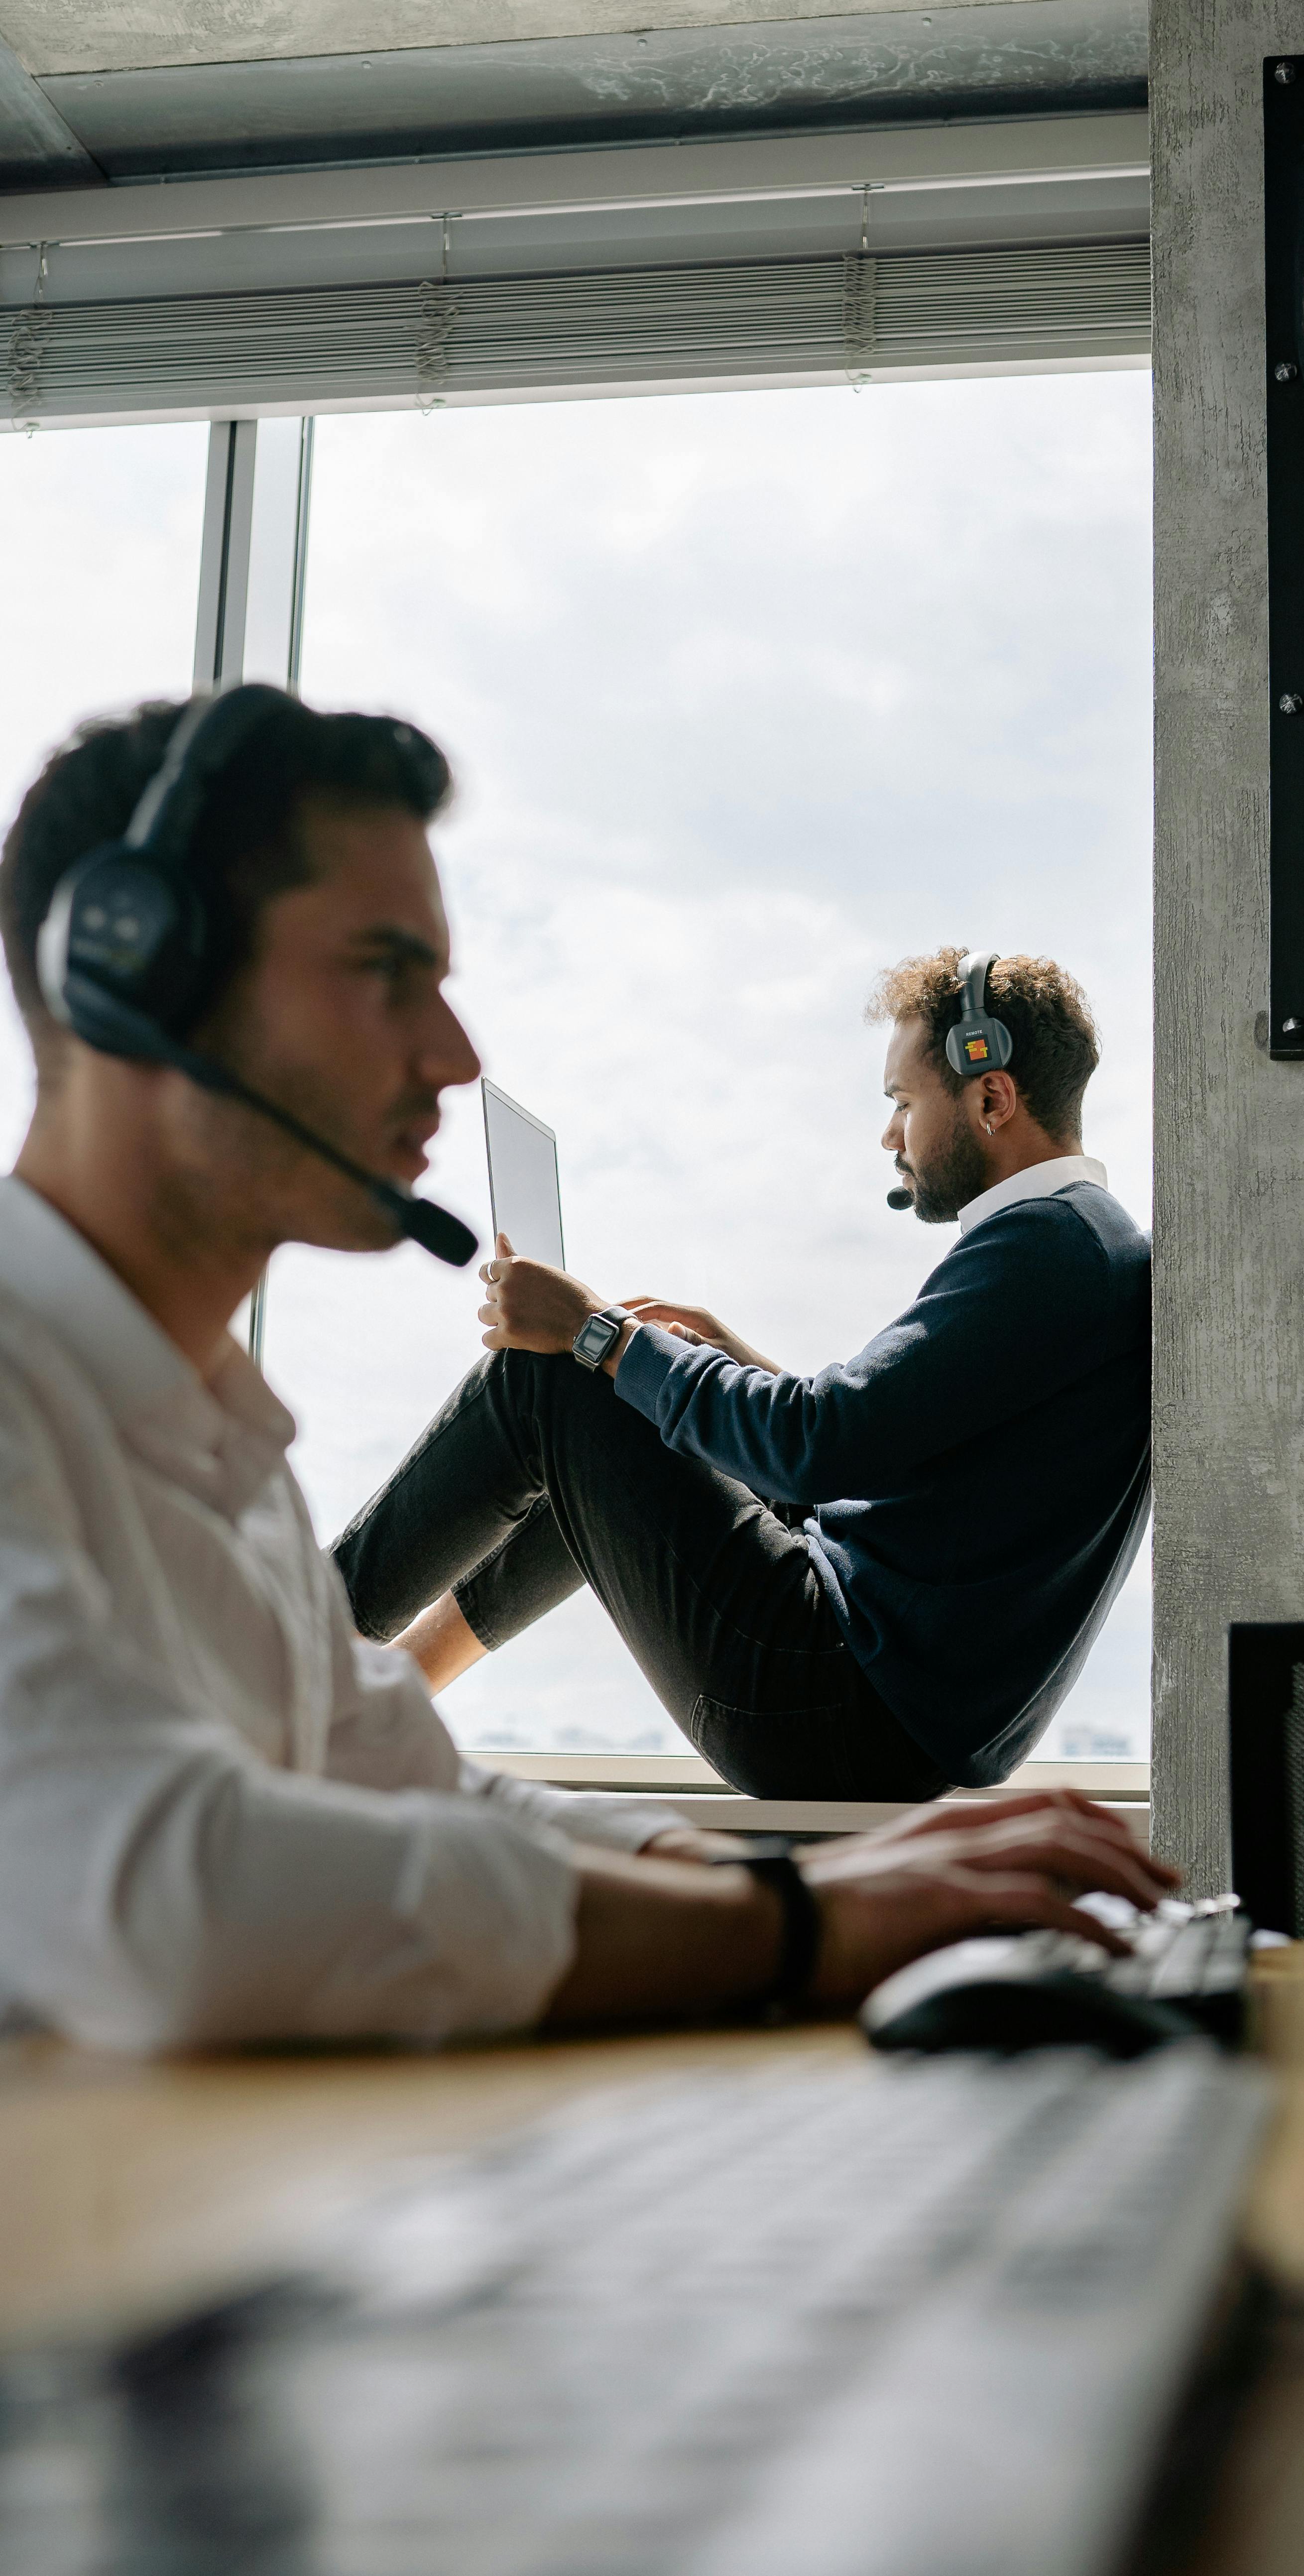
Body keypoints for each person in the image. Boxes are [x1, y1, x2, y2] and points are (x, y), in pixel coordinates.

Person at [0, 689, 1172, 2053]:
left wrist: (796, 1893)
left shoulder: (215, 1452)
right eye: (388, 971)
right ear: (131, 975)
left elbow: (419, 1783)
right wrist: (792, 1928)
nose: (456, 1055)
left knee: (559, 1385)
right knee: (569, 1385)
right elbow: (186, 1902)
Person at [333, 947, 1152, 1799]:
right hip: (871, 1708)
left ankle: (274, 1649)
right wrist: (709, 1359)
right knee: (638, 1397)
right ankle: (390, 1692)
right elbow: (869, 1458)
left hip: (830, 1701)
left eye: (903, 1103)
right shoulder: (1080, 1246)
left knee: (551, 1377)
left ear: (991, 1095)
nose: (889, 1135)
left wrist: (596, 1334)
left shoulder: (1047, 1251)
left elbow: (815, 1444)